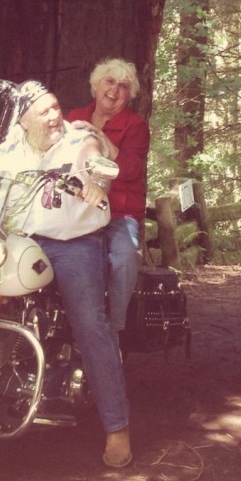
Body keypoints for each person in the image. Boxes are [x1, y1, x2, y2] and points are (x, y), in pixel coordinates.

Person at [0, 80, 132, 468]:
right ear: (23, 121)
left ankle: (117, 428)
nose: (55, 116)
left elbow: (92, 159)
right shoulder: (9, 149)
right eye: (44, 111)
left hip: (74, 242)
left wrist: (95, 182)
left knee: (89, 324)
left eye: (56, 106)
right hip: (20, 241)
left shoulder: (77, 136)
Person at [67, 59, 151, 334]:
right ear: (96, 85)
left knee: (125, 256)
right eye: (109, 81)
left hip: (118, 214)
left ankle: (114, 329)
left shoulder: (135, 126)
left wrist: (101, 140)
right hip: (75, 208)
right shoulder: (74, 117)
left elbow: (131, 170)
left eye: (123, 87)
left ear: (130, 95)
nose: (114, 90)